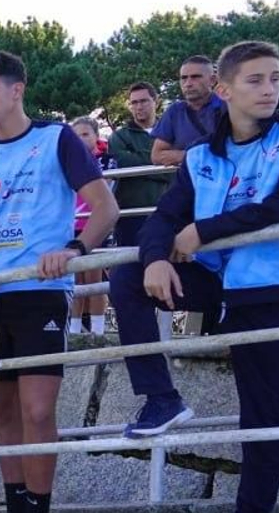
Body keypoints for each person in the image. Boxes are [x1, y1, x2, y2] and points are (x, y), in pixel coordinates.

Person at [109, 41, 279, 513]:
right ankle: (160, 397)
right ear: (224, 90)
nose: (271, 88)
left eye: (275, 78)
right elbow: (164, 216)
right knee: (128, 275)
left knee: (266, 412)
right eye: (256, 80)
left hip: (274, 290)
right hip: (211, 285)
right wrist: (158, 255)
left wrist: (204, 231)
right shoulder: (202, 155)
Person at [0, 51, 117, 513]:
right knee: (1, 414)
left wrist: (73, 250)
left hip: (41, 292)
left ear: (16, 90)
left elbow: (105, 208)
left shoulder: (57, 138)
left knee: (38, 410)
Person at [107, 82, 172, 248]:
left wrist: (140, 158)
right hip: (131, 213)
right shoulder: (118, 137)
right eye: (134, 103)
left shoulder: (172, 131)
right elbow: (123, 164)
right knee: (130, 267)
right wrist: (162, 159)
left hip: (169, 210)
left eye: (143, 101)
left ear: (156, 102)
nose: (138, 107)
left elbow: (178, 171)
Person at [69, 118, 111, 336]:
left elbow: (111, 187)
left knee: (93, 279)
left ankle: (97, 331)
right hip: (71, 226)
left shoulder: (106, 160)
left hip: (95, 224)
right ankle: (74, 330)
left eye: (85, 134)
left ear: (96, 136)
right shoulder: (68, 162)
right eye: (76, 136)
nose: (80, 139)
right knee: (75, 280)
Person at [150, 56, 226, 167]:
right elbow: (157, 156)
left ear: (213, 80)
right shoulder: (174, 112)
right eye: (184, 78)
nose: (188, 83)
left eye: (195, 77)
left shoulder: (230, 106)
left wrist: (179, 156)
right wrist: (194, 156)